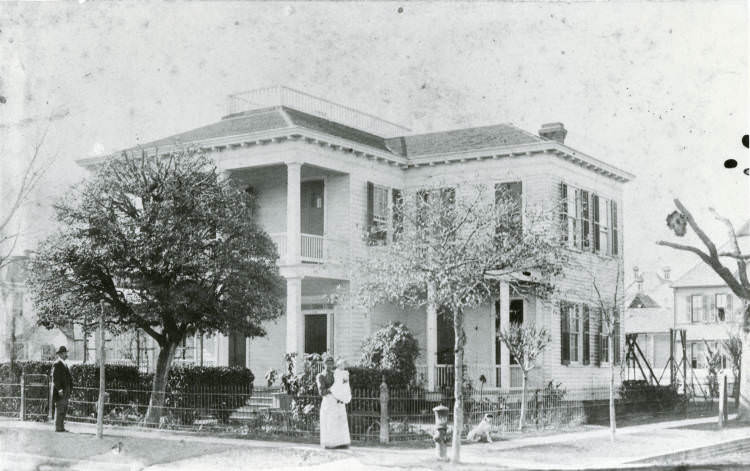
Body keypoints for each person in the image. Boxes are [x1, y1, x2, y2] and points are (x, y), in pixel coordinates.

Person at [316, 356, 351, 449]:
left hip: (337, 401)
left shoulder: (336, 373)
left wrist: (342, 389)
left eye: (331, 363)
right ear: (324, 364)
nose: (330, 365)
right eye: (327, 363)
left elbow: (343, 383)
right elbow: (322, 392)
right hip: (328, 402)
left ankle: (341, 443)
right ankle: (330, 444)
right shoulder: (321, 376)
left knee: (339, 421)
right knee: (329, 422)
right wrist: (332, 390)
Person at [51, 345, 73, 432]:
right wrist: (59, 389)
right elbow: (55, 378)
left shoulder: (64, 364)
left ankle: (61, 427)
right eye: (64, 353)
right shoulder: (57, 364)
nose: (65, 354)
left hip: (66, 390)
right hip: (60, 391)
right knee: (60, 408)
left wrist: (70, 388)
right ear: (60, 354)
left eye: (66, 353)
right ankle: (58, 427)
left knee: (64, 408)